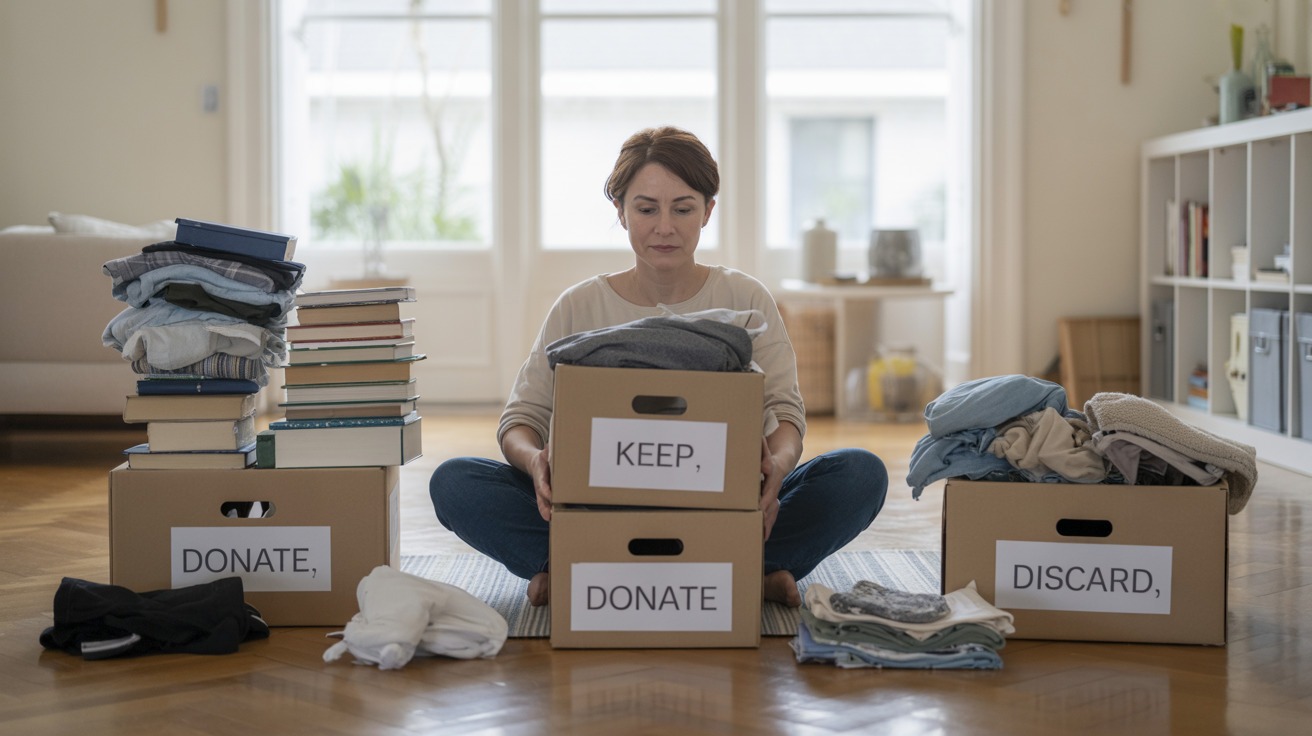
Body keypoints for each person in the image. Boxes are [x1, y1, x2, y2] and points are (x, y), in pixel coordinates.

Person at [429, 126, 888, 608]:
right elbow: (521, 420)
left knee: (859, 474)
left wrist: (776, 466)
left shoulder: (746, 298)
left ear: (708, 211)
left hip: (724, 506)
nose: (664, 227)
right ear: (621, 212)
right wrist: (535, 462)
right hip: (597, 509)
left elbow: (785, 411)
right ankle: (740, 575)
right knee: (455, 481)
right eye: (646, 209)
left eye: (683, 208)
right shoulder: (578, 306)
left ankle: (585, 575)